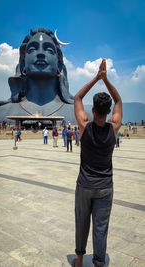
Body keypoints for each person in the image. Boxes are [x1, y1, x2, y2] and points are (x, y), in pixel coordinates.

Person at [72, 59, 122, 267]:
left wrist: (96, 78)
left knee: (82, 223)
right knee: (101, 227)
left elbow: (77, 97)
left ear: (92, 110)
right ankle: (99, 263)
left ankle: (80, 259)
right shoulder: (113, 128)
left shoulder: (84, 126)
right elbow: (119, 100)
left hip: (84, 185)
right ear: (108, 112)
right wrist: (106, 79)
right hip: (104, 187)